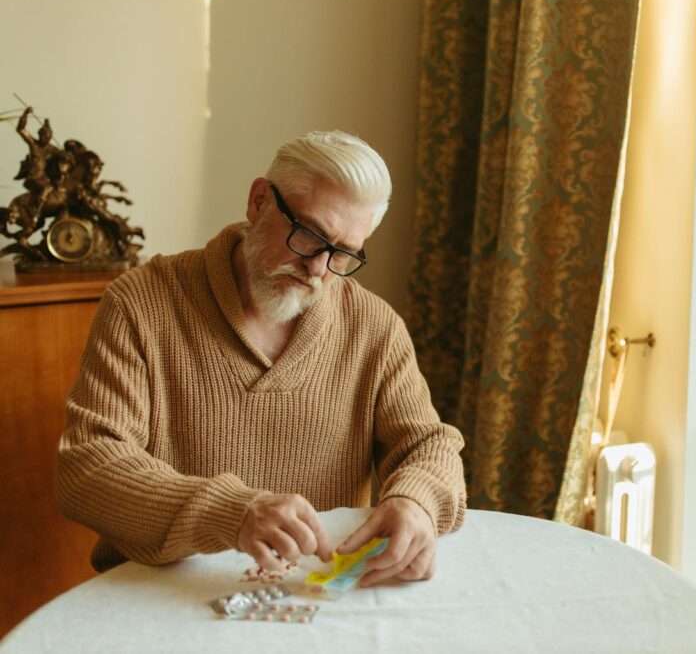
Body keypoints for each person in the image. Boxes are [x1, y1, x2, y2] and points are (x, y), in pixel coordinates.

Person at [55, 131, 466, 587]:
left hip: (309, 596)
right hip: (160, 592)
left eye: (344, 253)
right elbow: (87, 467)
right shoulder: (143, 302)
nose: (319, 268)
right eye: (310, 235)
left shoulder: (373, 325)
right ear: (258, 201)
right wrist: (232, 513)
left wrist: (416, 501)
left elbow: (428, 446)